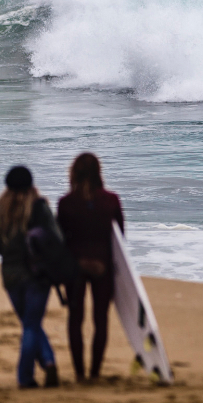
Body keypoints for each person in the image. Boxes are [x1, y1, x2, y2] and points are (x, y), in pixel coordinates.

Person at [0, 166, 61, 389]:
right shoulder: (40, 209)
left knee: (29, 324)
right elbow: (56, 239)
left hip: (11, 277)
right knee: (32, 324)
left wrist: (10, 249)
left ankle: (37, 370)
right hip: (39, 276)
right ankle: (36, 369)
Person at [57, 153, 124, 383]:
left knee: (75, 319)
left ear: (73, 172)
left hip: (75, 266)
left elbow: (61, 241)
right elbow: (120, 241)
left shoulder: (66, 203)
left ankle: (79, 374)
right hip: (102, 265)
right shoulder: (112, 200)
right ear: (98, 173)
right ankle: (95, 373)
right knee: (100, 319)